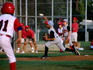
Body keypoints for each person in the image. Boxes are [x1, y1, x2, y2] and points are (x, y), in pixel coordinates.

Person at [0, 2, 22, 70]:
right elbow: (19, 28)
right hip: (4, 38)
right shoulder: (13, 18)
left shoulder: (0, 17)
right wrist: (19, 37)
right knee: (12, 58)